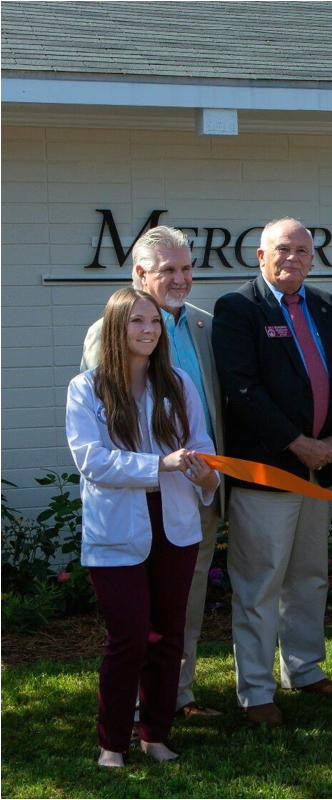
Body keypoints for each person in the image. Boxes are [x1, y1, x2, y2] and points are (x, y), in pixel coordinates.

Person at [212, 217, 332, 727]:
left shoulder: (327, 306)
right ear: (259, 255)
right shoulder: (239, 309)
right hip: (268, 473)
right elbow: (241, 387)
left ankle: (305, 669)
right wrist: (297, 443)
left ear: (313, 258)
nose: (292, 257)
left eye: (302, 249)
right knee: (258, 585)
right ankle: (256, 692)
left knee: (309, 578)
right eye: (282, 248)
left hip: (319, 470)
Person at [66, 288, 220, 768]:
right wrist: (162, 465)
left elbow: (202, 446)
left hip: (175, 527)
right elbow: (93, 461)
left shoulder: (178, 384)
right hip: (118, 531)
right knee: (129, 637)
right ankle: (113, 743)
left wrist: (205, 473)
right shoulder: (86, 388)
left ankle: (155, 734)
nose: (149, 330)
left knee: (168, 636)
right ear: (117, 327)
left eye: (153, 321)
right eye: (137, 321)